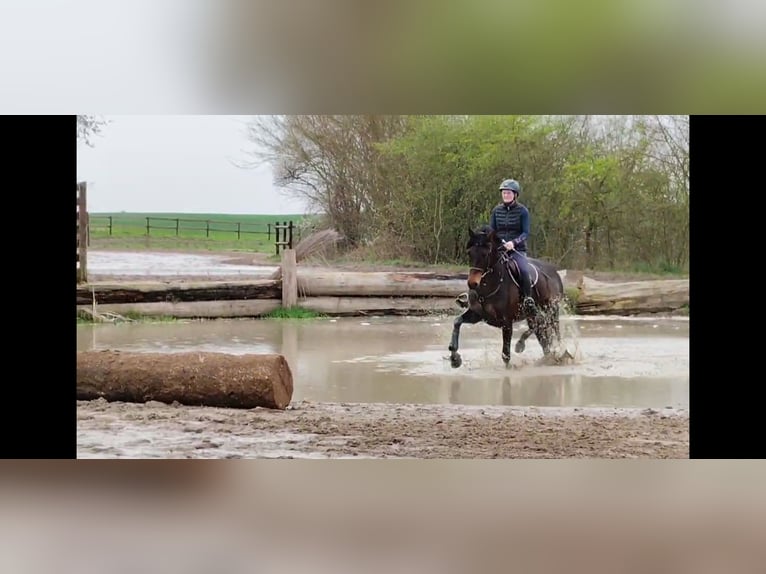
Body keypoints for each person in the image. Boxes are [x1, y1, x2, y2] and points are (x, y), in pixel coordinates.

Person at [490, 178, 537, 315]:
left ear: (515, 195)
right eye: (504, 193)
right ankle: (475, 298)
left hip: (517, 250)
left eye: (509, 193)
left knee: (523, 269)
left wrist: (514, 243)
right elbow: (492, 231)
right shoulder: (496, 211)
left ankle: (528, 299)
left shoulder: (523, 211)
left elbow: (526, 232)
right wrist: (499, 242)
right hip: (500, 249)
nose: (506, 195)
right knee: (483, 266)